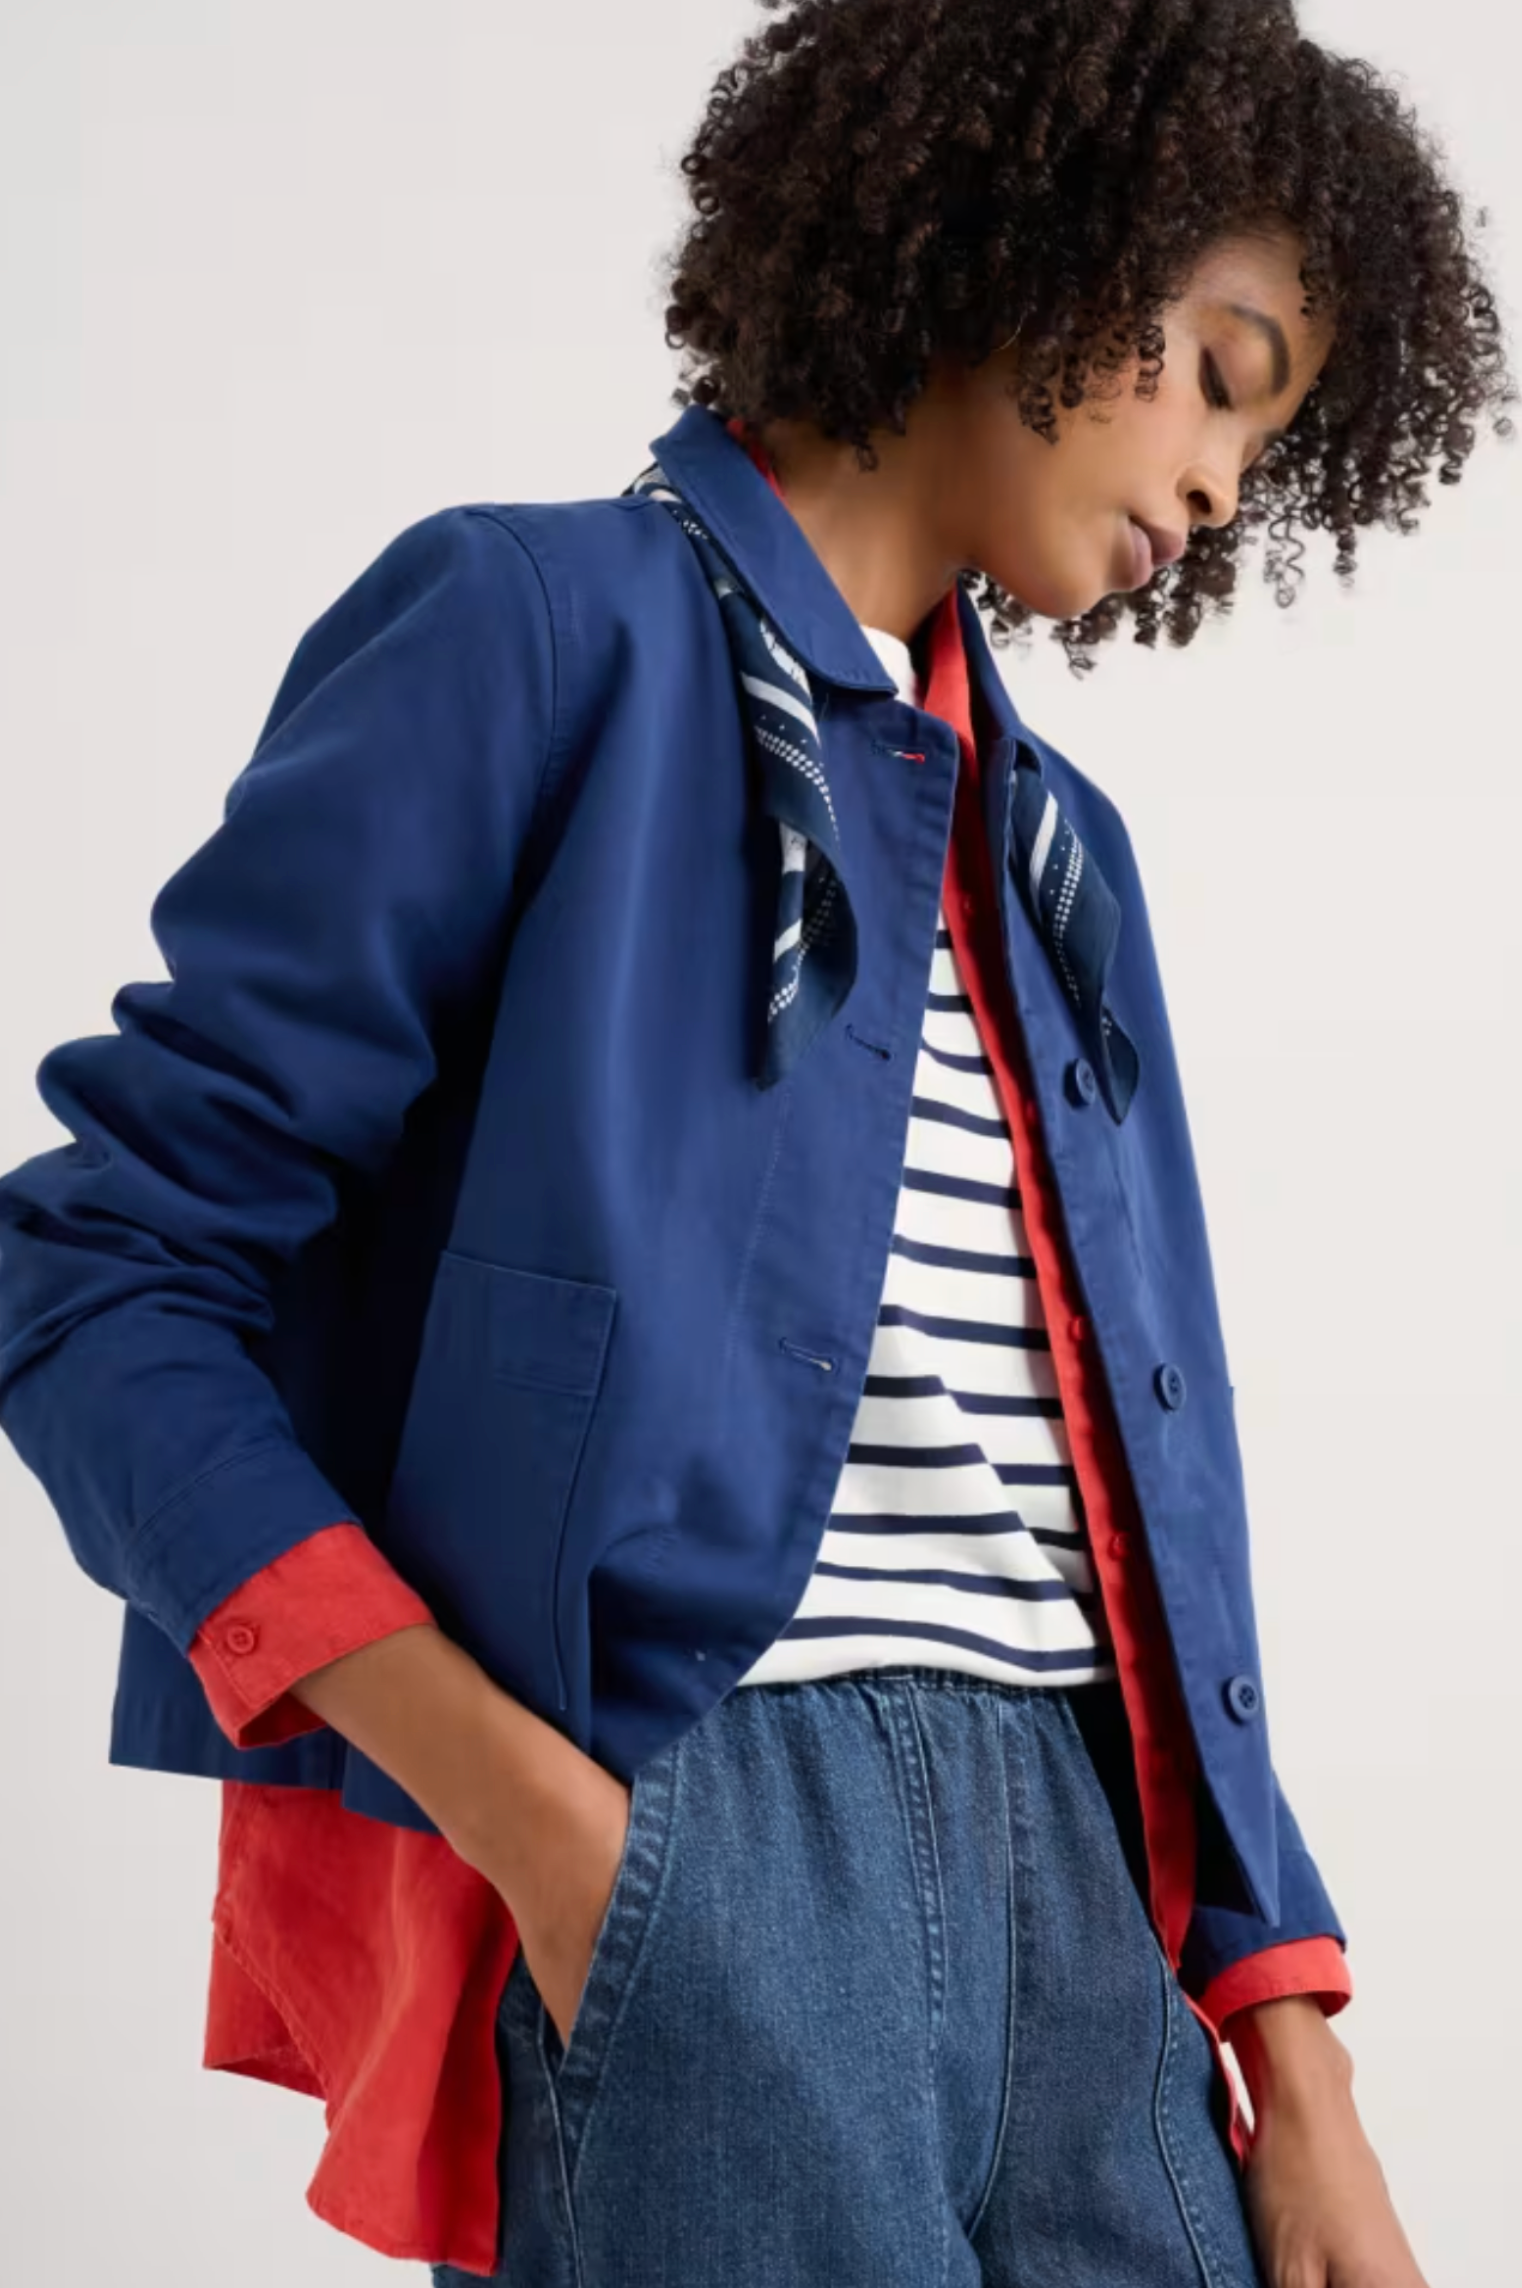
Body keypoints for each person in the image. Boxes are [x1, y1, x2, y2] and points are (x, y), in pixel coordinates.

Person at [0, 3, 1512, 2283]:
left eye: (1261, 442)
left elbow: (1147, 1516)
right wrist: (545, 1831)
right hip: (706, 1823)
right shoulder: (534, 635)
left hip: (1089, 1886)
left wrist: (1293, 2059)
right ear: (1031, 242)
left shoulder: (1053, 859)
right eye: (1216, 375)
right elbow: (101, 1272)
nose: (1219, 485)